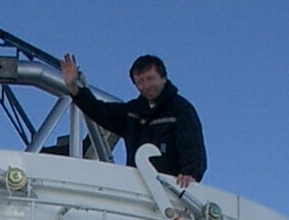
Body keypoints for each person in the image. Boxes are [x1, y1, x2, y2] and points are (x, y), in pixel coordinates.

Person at [60, 52, 206, 186]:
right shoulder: (132, 113)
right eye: (140, 81)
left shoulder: (181, 109)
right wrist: (73, 86)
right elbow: (98, 110)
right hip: (138, 189)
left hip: (173, 189)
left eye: (150, 79)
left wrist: (190, 174)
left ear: (163, 78)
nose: (146, 85)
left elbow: (192, 146)